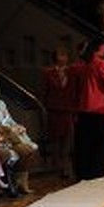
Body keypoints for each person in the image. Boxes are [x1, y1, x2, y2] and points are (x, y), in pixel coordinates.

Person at [69, 36, 104, 180]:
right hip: (98, 110)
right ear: (100, 48)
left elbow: (73, 91)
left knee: (83, 145)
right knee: (100, 145)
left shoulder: (76, 66)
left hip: (81, 111)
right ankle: (96, 174)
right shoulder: (100, 64)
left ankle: (82, 173)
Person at [41, 47, 77, 179]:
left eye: (65, 55)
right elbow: (44, 91)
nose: (63, 58)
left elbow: (75, 89)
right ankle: (57, 166)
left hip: (68, 110)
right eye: (60, 55)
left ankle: (65, 166)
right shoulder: (48, 73)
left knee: (68, 139)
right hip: (54, 110)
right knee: (55, 139)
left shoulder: (71, 72)